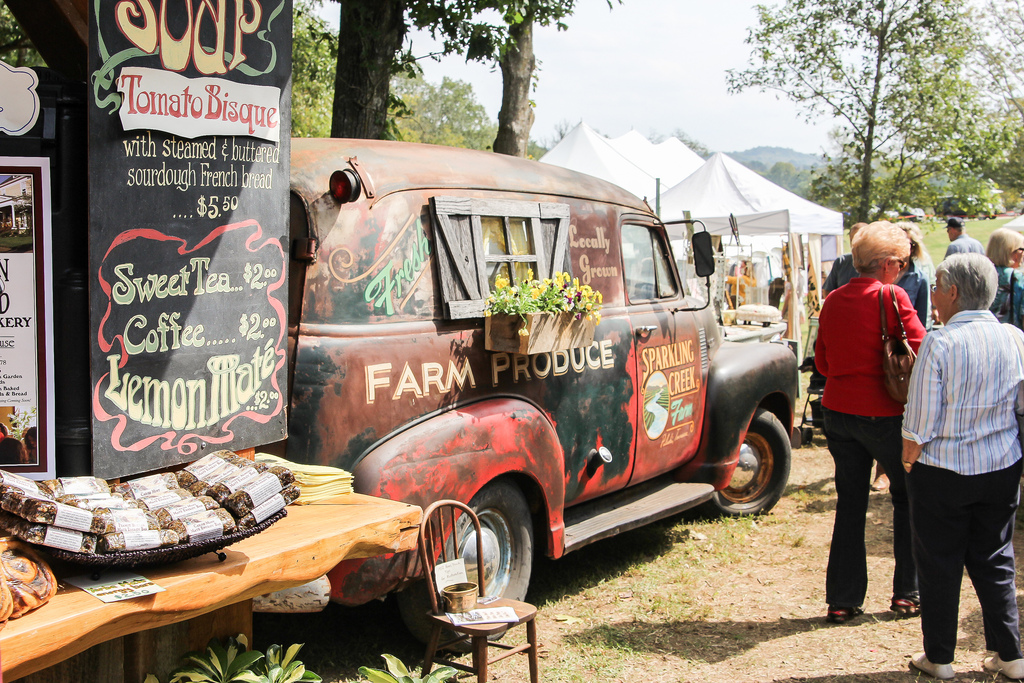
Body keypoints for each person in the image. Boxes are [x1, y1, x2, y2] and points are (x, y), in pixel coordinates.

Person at [901, 253, 1024, 680]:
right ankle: (1010, 655)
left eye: (935, 286)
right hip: (1001, 464)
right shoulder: (1014, 337)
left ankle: (940, 657)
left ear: (953, 292)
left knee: (939, 563)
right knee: (996, 559)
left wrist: (906, 462)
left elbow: (919, 421)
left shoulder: (940, 341)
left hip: (943, 469)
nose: (931, 294)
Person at [814, 221, 926, 624]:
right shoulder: (891, 296)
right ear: (885, 264)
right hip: (885, 414)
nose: (902, 268)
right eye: (900, 261)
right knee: (908, 500)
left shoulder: (832, 300)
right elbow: (921, 349)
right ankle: (907, 594)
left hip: (839, 412)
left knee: (850, 504)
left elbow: (822, 361)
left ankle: (842, 600)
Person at [985, 227, 1024, 327]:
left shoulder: (981, 274)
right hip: (1012, 337)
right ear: (1011, 251)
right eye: (1022, 249)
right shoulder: (1017, 278)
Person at [822, 222, 867, 295]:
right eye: (852, 239)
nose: (854, 243)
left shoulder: (877, 263)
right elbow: (828, 290)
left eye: (859, 239)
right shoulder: (841, 262)